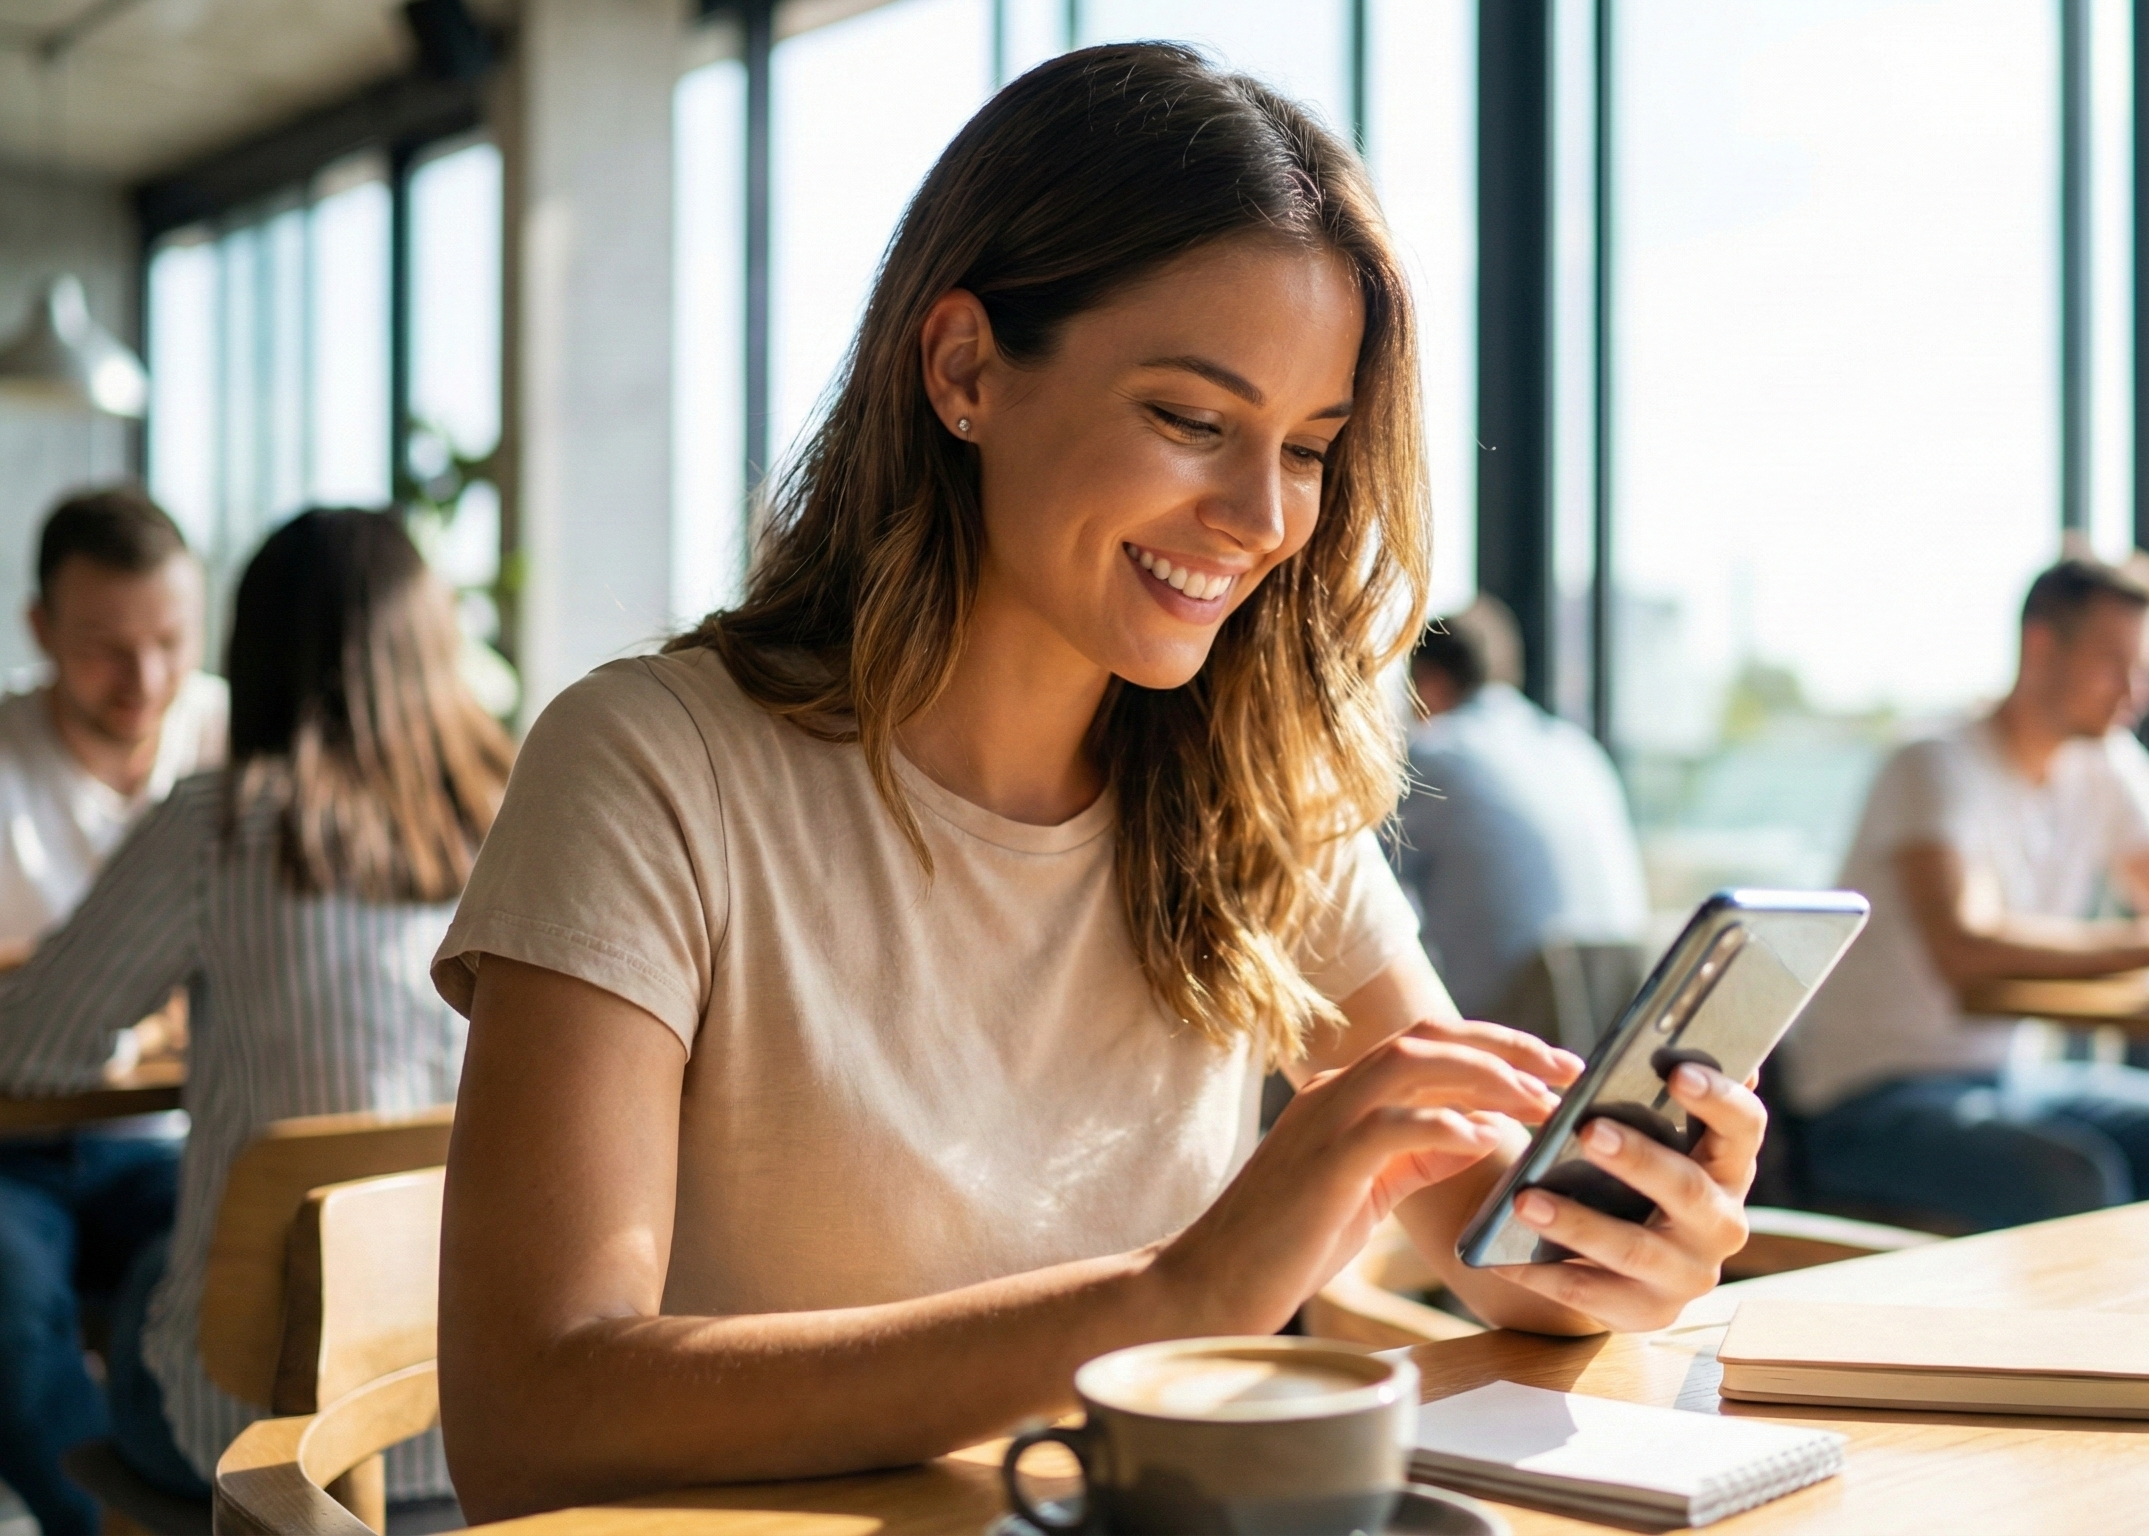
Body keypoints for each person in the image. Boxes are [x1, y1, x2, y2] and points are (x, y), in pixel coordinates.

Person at [431, 45, 1761, 1524]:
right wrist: (1176, 1293)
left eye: (1309, 449)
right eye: (1193, 421)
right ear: (965, 370)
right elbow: (531, 1414)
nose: (1263, 519)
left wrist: (1625, 1239)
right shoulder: (648, 767)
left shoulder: (1254, 792)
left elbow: (1494, 1249)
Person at [0, 509, 512, 1518]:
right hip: (484, 1420)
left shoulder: (220, 819)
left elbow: (33, 1045)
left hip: (262, 1440)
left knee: (165, 1281)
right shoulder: (522, 815)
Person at [1775, 551, 2149, 1232]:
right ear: (2041, 647)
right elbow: (1967, 948)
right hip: (1868, 1100)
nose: (2136, 695)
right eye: (2116, 666)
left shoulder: (2105, 763)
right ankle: (2107, 1339)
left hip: (2005, 1079)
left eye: (2144, 671)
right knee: (2072, 1178)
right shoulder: (1933, 766)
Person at [0, 486, 224, 1535]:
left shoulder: (235, 737)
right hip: (13, 1151)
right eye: (101, 647)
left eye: (170, 641)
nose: (143, 681)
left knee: (219, 1284)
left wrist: (44, 970)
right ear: (40, 628)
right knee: (6, 1303)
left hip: (171, 1145)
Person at [1393, 595, 1649, 1021]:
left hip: (1517, 1027)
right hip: (1618, 1020)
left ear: (1430, 683)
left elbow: (1352, 891)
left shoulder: (1435, 754)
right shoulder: (1575, 749)